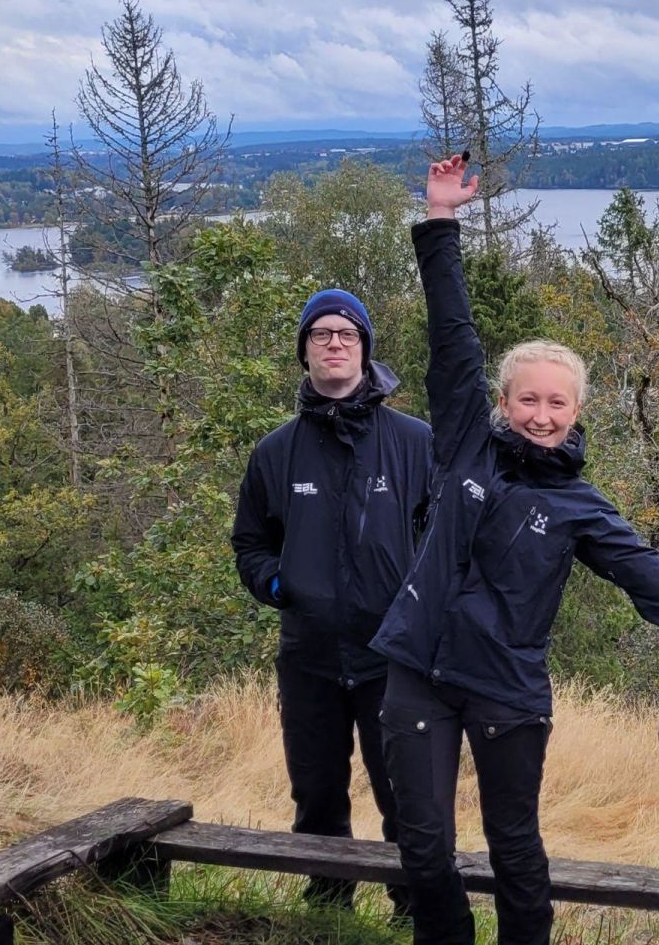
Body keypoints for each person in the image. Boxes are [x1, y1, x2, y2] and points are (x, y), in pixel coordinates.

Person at [369, 156, 659, 945]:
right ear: (503, 402)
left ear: (577, 410)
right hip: (417, 668)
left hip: (507, 688)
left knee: (515, 847)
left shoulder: (580, 506)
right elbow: (453, 334)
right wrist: (440, 220)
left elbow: (658, 587)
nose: (541, 414)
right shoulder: (462, 444)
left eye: (557, 402)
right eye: (527, 399)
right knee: (423, 846)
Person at [232, 288, 432, 915]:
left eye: (347, 334)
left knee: (405, 795)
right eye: (321, 335)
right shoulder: (275, 451)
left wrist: (420, 609)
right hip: (309, 655)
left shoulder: (414, 442)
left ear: (366, 349)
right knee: (317, 794)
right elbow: (250, 541)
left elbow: (445, 537)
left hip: (392, 658)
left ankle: (413, 913)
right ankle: (327, 911)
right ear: (305, 353)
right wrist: (276, 584)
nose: (335, 344)